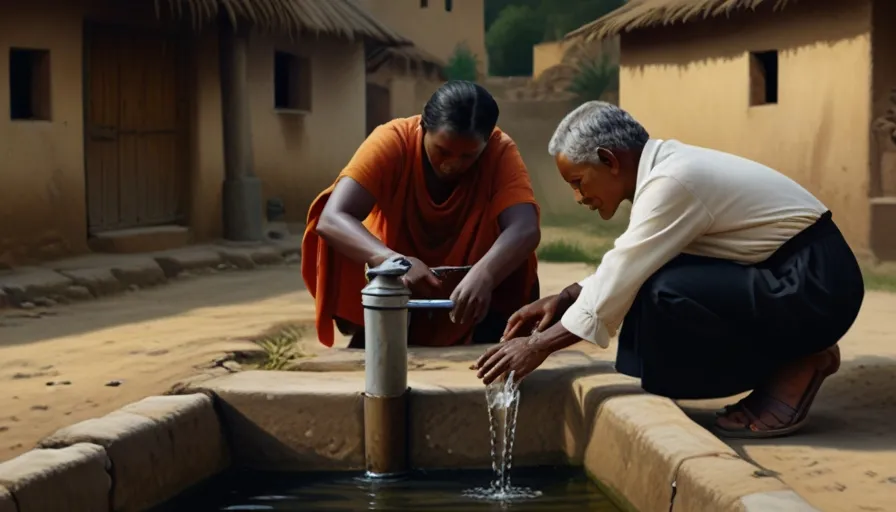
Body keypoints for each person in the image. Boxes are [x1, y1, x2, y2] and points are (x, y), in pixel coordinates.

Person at [474, 101, 864, 439]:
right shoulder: (667, 171)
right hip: (793, 276)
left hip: (816, 285)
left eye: (578, 182)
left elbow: (625, 271)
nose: (578, 198)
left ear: (610, 160)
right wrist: (565, 298)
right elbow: (634, 261)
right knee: (654, 283)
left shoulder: (673, 180)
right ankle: (792, 353)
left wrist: (536, 345)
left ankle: (796, 361)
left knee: (665, 293)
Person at [302, 80, 541, 348]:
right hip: (396, 287)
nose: (452, 165)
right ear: (422, 127)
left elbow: (524, 228)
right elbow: (333, 218)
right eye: (442, 151)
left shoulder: (500, 150)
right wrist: (394, 261)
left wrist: (485, 273)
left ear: (486, 143)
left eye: (468, 157)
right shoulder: (393, 140)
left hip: (472, 295)